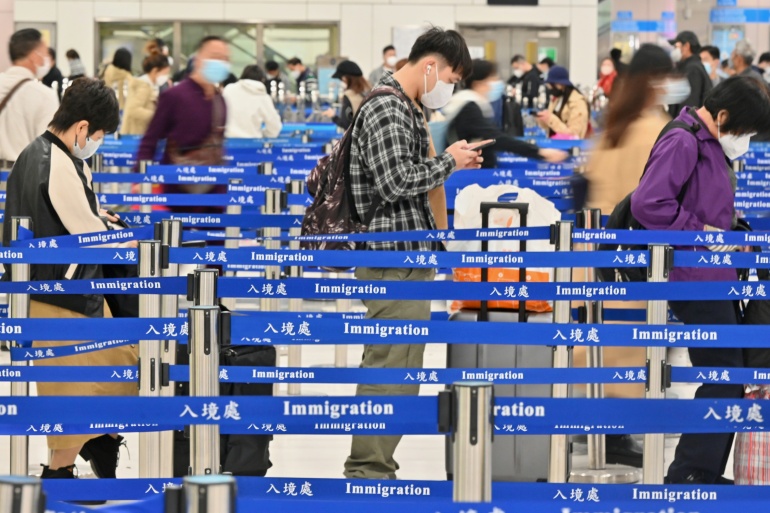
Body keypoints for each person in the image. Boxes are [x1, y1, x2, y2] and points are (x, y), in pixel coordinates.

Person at [344, 27, 482, 480]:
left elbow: (407, 174)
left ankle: (376, 465)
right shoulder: (387, 105)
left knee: (401, 367)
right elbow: (394, 182)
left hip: (406, 255)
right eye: (451, 77)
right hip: (392, 257)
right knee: (390, 364)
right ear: (429, 66)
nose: (451, 87)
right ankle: (368, 471)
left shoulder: (406, 105)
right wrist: (450, 162)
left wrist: (447, 159)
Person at [630, 76, 770, 484]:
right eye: (743, 130)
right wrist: (703, 233)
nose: (744, 139)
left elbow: (707, 204)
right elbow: (648, 202)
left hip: (713, 272)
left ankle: (701, 469)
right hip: (692, 275)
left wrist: (734, 235)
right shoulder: (684, 140)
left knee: (732, 371)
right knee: (726, 372)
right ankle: (691, 472)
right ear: (723, 116)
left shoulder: (707, 143)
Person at [2, 77, 137, 481]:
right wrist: (122, 237)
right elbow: (90, 239)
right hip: (65, 298)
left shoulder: (33, 154)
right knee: (102, 375)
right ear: (81, 128)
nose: (96, 143)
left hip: (44, 292)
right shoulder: (58, 164)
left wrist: (100, 219)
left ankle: (100, 440)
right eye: (97, 136)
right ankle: (61, 472)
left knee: (90, 381)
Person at [138, 36, 230, 213]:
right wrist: (141, 178)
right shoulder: (174, 96)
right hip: (179, 192)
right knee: (178, 239)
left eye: (225, 59)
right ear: (199, 58)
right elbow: (150, 140)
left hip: (214, 193)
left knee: (215, 239)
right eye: (216, 56)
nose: (221, 63)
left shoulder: (221, 101)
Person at [444, 59, 567, 167]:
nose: (496, 83)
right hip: (470, 174)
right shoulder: (468, 108)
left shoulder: (474, 104)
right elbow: (496, 138)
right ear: (478, 84)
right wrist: (540, 152)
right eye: (492, 79)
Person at [0, 29, 59, 167]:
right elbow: (47, 148)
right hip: (21, 176)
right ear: (34, 56)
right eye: (45, 54)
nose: (47, 60)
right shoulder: (44, 95)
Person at [223, 65, 282, 138]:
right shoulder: (263, 97)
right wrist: (264, 135)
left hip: (227, 141)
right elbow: (275, 126)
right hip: (252, 143)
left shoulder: (228, 89)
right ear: (262, 79)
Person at [120, 51, 170, 135]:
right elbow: (133, 110)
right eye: (165, 73)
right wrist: (158, 115)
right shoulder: (143, 85)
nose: (166, 77)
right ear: (155, 71)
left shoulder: (150, 85)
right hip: (134, 135)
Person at [536, 65, 589, 138]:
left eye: (551, 84)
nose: (549, 88)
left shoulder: (578, 102)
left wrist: (551, 119)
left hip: (570, 147)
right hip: (554, 144)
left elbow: (574, 134)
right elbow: (550, 127)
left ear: (559, 84)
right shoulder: (557, 98)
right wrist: (542, 119)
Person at [668, 31, 712, 116]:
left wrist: (680, 127)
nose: (674, 50)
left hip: (686, 126)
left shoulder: (692, 70)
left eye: (676, 46)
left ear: (687, 46)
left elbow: (689, 106)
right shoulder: (690, 66)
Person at [323, 60, 370, 130]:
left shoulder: (349, 96)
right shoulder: (370, 91)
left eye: (341, 79)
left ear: (346, 78)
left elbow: (346, 124)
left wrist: (333, 116)